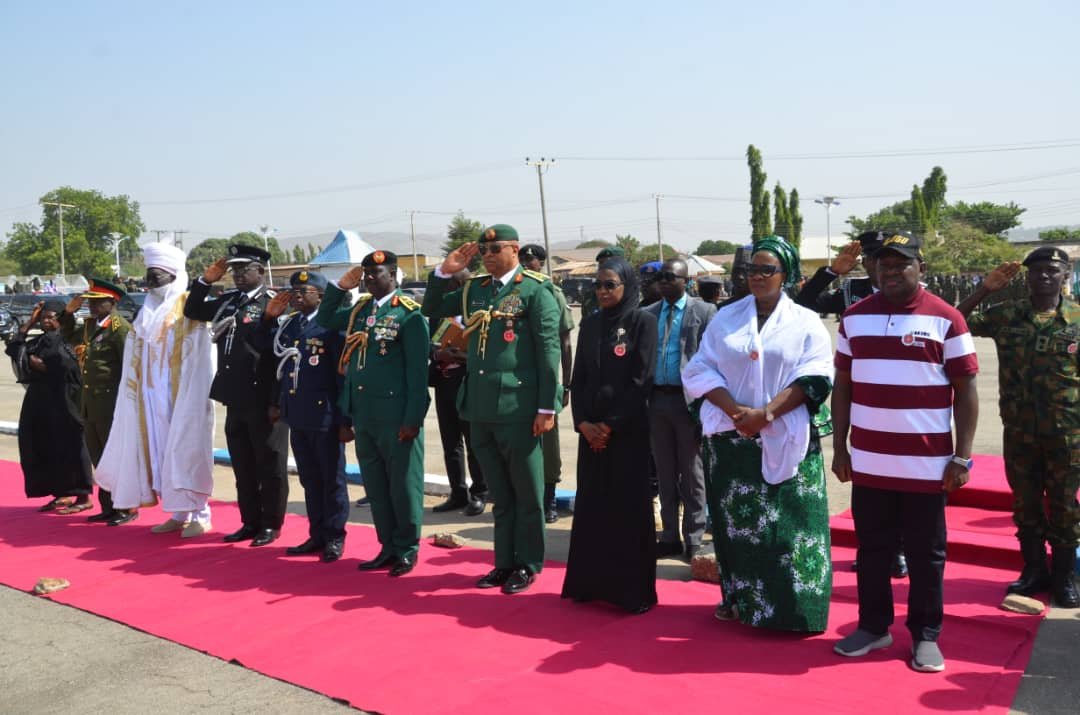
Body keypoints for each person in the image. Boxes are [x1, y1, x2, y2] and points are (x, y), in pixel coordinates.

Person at [831, 232, 979, 673]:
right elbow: (843, 387)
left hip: (926, 466)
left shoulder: (947, 318)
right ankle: (873, 627)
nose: (891, 272)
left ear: (921, 268)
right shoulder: (854, 318)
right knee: (872, 550)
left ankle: (925, 634)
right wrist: (840, 448)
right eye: (884, 265)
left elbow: (967, 391)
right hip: (870, 462)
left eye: (901, 264)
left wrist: (962, 456)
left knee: (925, 555)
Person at [683, 236, 834, 632]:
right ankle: (742, 602)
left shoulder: (806, 321)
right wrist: (737, 413)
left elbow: (816, 375)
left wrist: (766, 414)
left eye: (768, 269)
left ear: (787, 275)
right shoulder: (725, 318)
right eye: (753, 269)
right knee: (739, 529)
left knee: (791, 530)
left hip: (786, 437)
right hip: (732, 442)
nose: (758, 276)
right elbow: (700, 369)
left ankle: (795, 613)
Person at [422, 224, 561, 595]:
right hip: (480, 407)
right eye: (483, 250)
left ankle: (527, 563)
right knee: (499, 494)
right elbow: (431, 308)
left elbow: (549, 351)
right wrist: (443, 272)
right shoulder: (475, 289)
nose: (487, 255)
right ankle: (503, 562)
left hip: (519, 408)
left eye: (495, 249)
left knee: (527, 494)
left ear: (514, 249)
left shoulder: (536, 290)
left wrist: (547, 408)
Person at [957, 247, 1079, 607]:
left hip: (1067, 433)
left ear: (1065, 275)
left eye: (1052, 270)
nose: (1044, 276)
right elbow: (952, 322)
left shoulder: (1077, 318)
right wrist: (985, 289)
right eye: (1036, 271)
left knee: (1065, 506)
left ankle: (1065, 576)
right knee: (1025, 504)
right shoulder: (1007, 315)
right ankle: (1034, 570)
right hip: (1020, 431)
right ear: (1027, 277)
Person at [798, 229, 909, 578]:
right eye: (872, 257)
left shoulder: (911, 289)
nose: (878, 263)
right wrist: (832, 272)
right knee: (868, 485)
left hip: (905, 401)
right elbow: (804, 304)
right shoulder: (852, 291)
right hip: (863, 398)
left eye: (884, 256)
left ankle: (900, 549)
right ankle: (872, 548)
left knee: (903, 481)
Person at [318, 251, 430, 577]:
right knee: (377, 487)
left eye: (375, 273)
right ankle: (387, 547)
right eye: (366, 273)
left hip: (396, 415)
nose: (368, 278)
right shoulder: (361, 309)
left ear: (393, 275)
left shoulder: (409, 314)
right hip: (364, 413)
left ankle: (407, 549)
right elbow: (326, 318)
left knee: (403, 487)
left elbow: (418, 376)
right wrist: (340, 287)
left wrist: (412, 419)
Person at [95, 243, 216, 535]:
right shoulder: (146, 311)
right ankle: (178, 512)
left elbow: (202, 354)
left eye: (156, 274)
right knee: (161, 454)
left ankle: (200, 514)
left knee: (187, 451)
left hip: (183, 396)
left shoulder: (188, 307)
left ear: (173, 275)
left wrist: (192, 392)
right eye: (148, 274)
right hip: (150, 398)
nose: (150, 281)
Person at [562, 257, 658, 613]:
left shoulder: (643, 322)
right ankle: (589, 585)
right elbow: (580, 378)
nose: (601, 291)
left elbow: (641, 381)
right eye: (597, 285)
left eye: (609, 285)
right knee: (593, 508)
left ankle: (632, 593)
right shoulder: (590, 323)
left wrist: (610, 425)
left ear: (627, 286)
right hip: (591, 435)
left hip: (627, 433)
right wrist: (583, 424)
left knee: (627, 510)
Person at [185, 244, 288, 547]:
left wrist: (276, 401)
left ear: (260, 271)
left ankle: (271, 524)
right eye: (235, 270)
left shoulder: (274, 303)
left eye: (245, 270)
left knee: (269, 465)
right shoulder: (228, 301)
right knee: (243, 465)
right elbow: (192, 311)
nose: (238, 275)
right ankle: (250, 521)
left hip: (263, 398)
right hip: (235, 396)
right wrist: (204, 282)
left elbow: (281, 357)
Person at [256, 270, 351, 563]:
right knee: (310, 479)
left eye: (303, 292)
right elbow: (271, 355)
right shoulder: (290, 324)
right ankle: (317, 533)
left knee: (331, 480)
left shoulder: (331, 325)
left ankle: (334, 536)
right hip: (297, 412)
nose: (296, 296)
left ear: (320, 296)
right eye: (293, 291)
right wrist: (268, 319)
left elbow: (342, 376)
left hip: (324, 414)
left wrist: (345, 420)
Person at [645, 258, 716, 561]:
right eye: (660, 277)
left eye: (669, 277)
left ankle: (694, 537)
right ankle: (670, 536)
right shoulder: (648, 314)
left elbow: (713, 358)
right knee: (664, 472)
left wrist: (706, 406)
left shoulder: (705, 311)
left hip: (689, 402)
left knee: (692, 473)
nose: (663, 282)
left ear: (686, 281)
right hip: (656, 402)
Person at [6, 300, 94, 511]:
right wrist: (29, 323)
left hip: (64, 399)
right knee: (45, 444)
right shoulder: (39, 341)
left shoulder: (69, 340)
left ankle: (83, 497)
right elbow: (14, 348)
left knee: (71, 445)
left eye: (50, 317)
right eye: (43, 317)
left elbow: (70, 368)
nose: (46, 321)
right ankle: (61, 493)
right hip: (40, 400)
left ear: (61, 318)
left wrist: (44, 367)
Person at [59, 279, 132, 521]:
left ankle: (126, 507)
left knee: (116, 457)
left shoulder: (120, 329)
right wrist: (68, 313)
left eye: (97, 302)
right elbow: (68, 336)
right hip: (90, 403)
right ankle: (108, 507)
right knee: (99, 457)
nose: (91, 306)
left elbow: (129, 367)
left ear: (112, 302)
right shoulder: (91, 326)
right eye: (90, 302)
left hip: (111, 403)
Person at [519, 244, 575, 523]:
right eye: (522, 259)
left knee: (548, 444)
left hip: (546, 380)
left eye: (531, 260)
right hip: (519, 381)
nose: (526, 264)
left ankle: (549, 497)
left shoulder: (552, 292)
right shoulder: (512, 293)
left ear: (541, 263)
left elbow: (565, 342)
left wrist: (566, 384)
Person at [429, 269, 488, 516]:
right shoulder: (439, 314)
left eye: (452, 284)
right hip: (444, 382)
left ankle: (480, 493)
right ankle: (458, 493)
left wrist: (463, 356)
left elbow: (487, 349)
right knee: (450, 441)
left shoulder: (477, 313)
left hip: (468, 382)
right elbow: (428, 344)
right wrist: (437, 354)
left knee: (474, 441)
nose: (448, 289)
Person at [796, 230, 887, 316]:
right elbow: (801, 305)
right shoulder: (851, 290)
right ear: (864, 263)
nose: (881, 263)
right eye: (874, 258)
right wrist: (832, 272)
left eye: (887, 258)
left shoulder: (897, 292)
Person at [581, 246, 626, 318]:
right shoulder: (590, 294)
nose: (604, 267)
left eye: (609, 263)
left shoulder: (631, 296)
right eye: (601, 263)